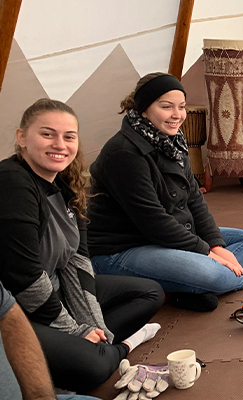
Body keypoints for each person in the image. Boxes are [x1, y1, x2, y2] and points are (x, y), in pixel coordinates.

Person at [0, 99, 164, 393]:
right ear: (21, 138)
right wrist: (75, 330)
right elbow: (25, 280)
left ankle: (99, 344)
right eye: (47, 134)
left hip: (56, 290)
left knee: (149, 293)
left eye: (69, 136)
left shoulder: (64, 183)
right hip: (16, 309)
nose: (59, 144)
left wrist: (92, 323)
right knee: (94, 368)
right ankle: (122, 346)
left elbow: (78, 259)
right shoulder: (13, 184)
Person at [87, 73, 243, 312]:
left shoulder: (173, 142)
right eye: (166, 107)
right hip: (122, 250)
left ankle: (181, 290)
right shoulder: (124, 154)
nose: (177, 115)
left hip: (166, 238)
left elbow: (194, 199)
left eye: (181, 107)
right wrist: (206, 254)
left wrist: (215, 246)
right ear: (144, 109)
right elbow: (154, 221)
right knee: (211, 273)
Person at [1, 281, 101, 400]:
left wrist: (41, 397)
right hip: (41, 309)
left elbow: (8, 312)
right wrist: (76, 331)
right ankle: (126, 346)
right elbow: (33, 286)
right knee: (95, 363)